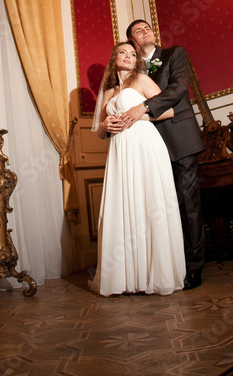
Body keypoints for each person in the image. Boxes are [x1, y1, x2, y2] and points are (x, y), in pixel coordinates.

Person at [90, 40, 186, 296]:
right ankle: (127, 277)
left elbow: (168, 112)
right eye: (123, 52)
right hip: (120, 150)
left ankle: (156, 274)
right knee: (125, 204)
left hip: (145, 144)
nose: (128, 56)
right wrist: (105, 127)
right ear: (114, 58)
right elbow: (100, 132)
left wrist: (137, 114)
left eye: (133, 54)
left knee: (148, 201)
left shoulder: (142, 80)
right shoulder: (109, 93)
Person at [117, 20, 206, 289]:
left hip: (180, 138)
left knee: (187, 203)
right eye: (138, 30)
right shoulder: (133, 68)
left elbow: (178, 89)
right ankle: (166, 266)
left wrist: (143, 107)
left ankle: (194, 267)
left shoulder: (174, 54)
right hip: (148, 148)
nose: (146, 31)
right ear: (132, 41)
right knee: (159, 207)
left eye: (148, 27)